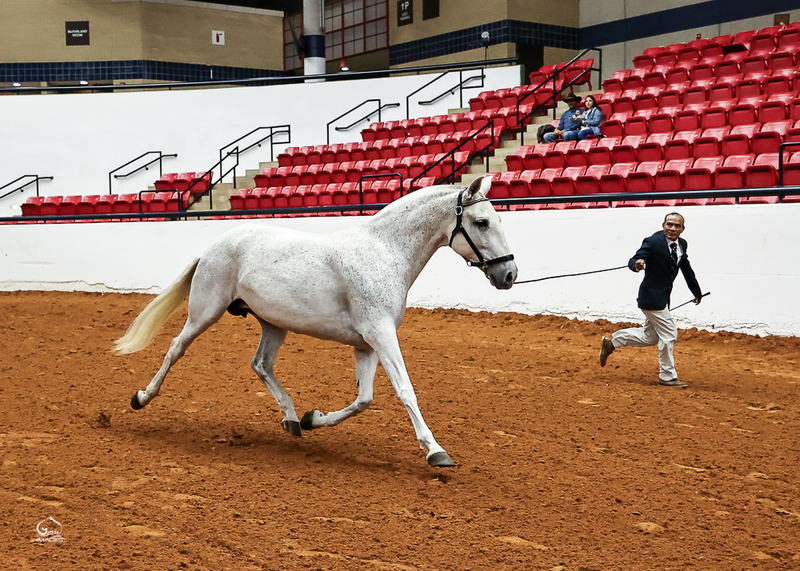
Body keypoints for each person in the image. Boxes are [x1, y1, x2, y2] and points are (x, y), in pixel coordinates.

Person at [599, 213, 704, 388]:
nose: (672, 228)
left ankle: (612, 342)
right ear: (663, 225)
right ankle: (667, 376)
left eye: (677, 226)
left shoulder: (682, 244)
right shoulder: (653, 242)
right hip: (651, 297)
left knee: (650, 337)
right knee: (669, 335)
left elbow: (685, 266)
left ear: (682, 229)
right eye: (669, 224)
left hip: (662, 297)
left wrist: (696, 291)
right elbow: (635, 259)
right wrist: (637, 264)